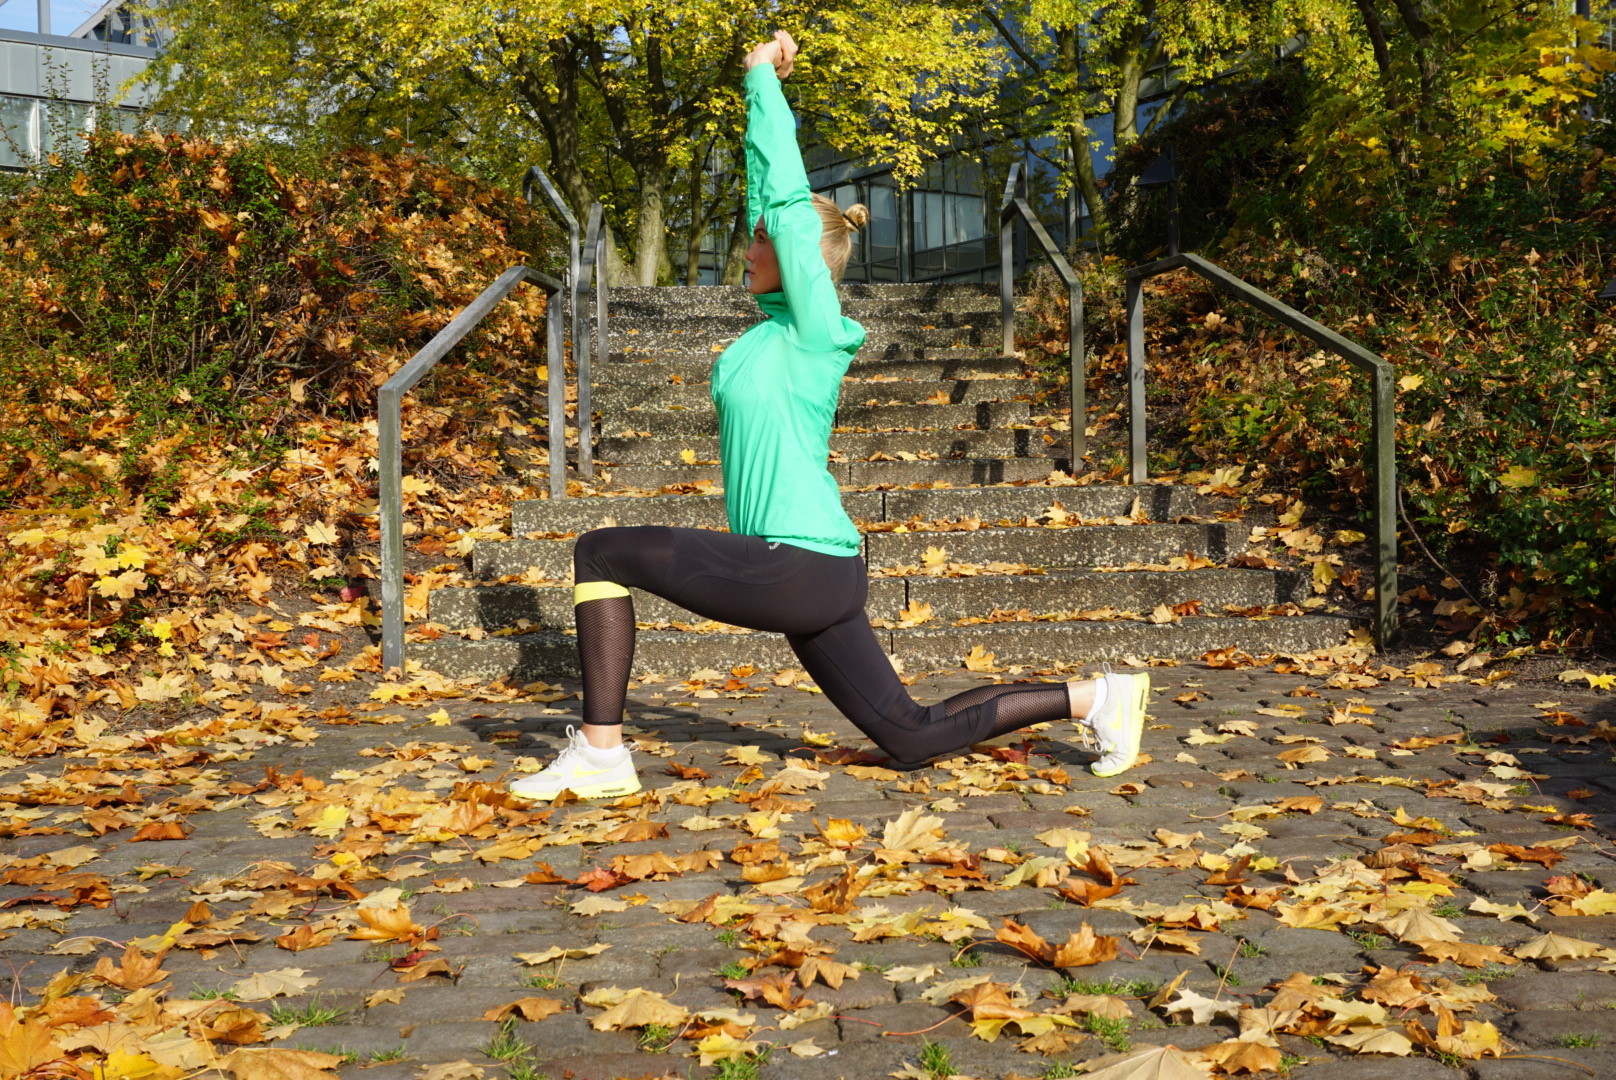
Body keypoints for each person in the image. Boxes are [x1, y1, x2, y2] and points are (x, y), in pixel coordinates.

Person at [508, 31, 1148, 802]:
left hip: (799, 560)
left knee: (601, 553)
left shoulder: (816, 328)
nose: (746, 246)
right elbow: (765, 200)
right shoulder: (769, 330)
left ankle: (604, 754)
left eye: (763, 239)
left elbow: (780, 198)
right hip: (817, 571)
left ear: (800, 253)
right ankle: (1100, 699)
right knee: (910, 734)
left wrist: (759, 83)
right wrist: (760, 100)